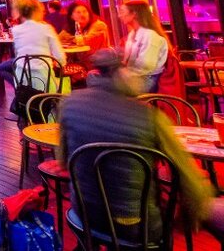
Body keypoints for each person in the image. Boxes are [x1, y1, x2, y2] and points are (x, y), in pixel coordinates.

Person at [57, 48, 223, 244]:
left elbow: (63, 161)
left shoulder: (69, 103)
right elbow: (186, 177)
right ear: (122, 72)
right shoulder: (149, 116)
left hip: (84, 214)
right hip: (135, 226)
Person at [0, 0, 66, 91]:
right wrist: (56, 64)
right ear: (36, 12)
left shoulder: (16, 30)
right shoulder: (47, 28)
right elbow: (60, 58)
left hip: (22, 78)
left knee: (0, 68)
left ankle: (18, 88)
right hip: (45, 80)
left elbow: (18, 54)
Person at [118, 0, 170, 93]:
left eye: (122, 12)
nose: (119, 15)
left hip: (147, 79)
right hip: (136, 77)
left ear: (134, 14)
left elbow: (145, 66)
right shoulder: (132, 34)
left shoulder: (150, 35)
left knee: (109, 90)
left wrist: (122, 74)